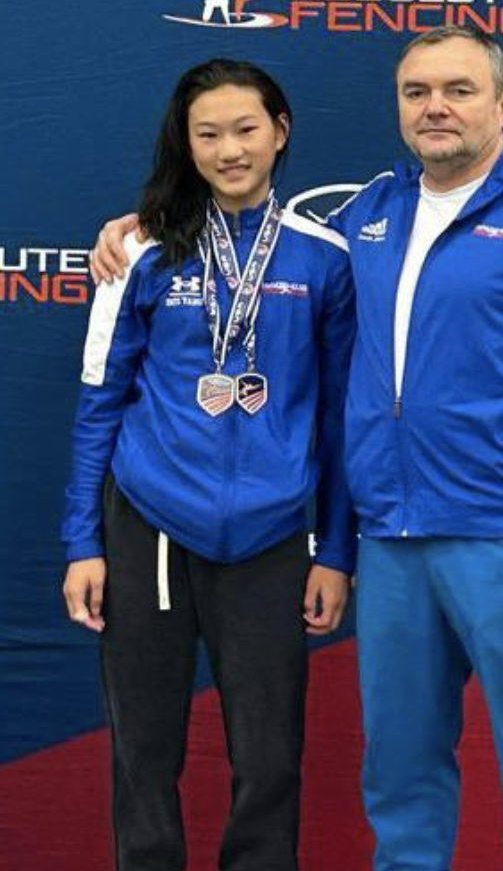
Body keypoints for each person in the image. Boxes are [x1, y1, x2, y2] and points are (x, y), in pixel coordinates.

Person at [91, 28, 503, 871]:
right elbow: (250, 236)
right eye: (417, 91)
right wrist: (143, 227)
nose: (436, 107)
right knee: (400, 773)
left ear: (502, 104)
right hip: (389, 544)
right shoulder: (368, 216)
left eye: (458, 89)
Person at [62, 58, 355, 871]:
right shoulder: (139, 254)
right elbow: (99, 402)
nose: (230, 149)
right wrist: (82, 543)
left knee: (268, 758)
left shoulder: (325, 259)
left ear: (281, 131)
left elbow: (338, 422)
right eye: (208, 134)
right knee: (144, 753)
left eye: (246, 129)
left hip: (269, 537)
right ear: (185, 144)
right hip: (147, 526)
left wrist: (335, 551)